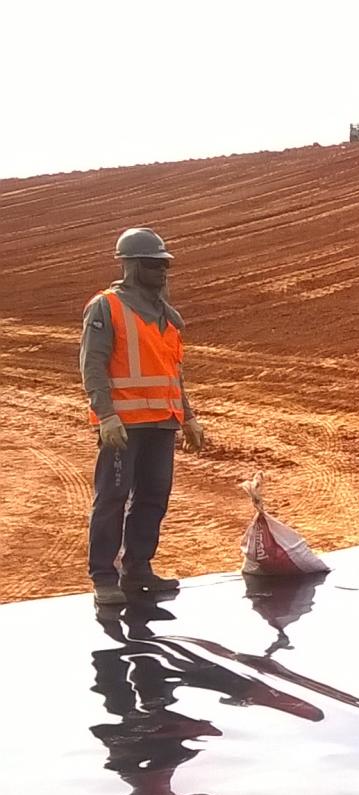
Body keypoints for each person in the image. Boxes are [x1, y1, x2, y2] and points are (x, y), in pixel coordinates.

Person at [81, 228, 206, 606]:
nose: (162, 272)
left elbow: (173, 369)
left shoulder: (165, 314)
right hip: (124, 424)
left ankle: (138, 568)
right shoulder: (107, 306)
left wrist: (188, 416)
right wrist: (106, 416)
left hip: (162, 421)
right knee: (113, 498)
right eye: (154, 265)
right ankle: (104, 576)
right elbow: (93, 365)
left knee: (154, 497)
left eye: (164, 265)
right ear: (132, 266)